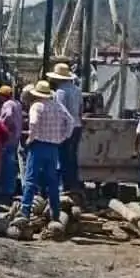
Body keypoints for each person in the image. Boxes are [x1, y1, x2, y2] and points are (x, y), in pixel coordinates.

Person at [20, 80, 73, 221]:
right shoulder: (58, 106)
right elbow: (71, 121)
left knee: (31, 179)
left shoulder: (36, 106)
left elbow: (33, 123)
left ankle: (25, 211)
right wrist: (63, 137)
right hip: (53, 147)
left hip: (38, 145)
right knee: (52, 181)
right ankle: (55, 213)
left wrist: (30, 138)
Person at [47, 63, 83, 192]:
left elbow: (60, 111)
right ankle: (73, 183)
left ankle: (63, 185)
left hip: (66, 127)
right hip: (77, 126)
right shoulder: (77, 90)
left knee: (62, 157)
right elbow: (80, 110)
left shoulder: (60, 91)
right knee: (72, 156)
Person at [0, 85, 23, 203]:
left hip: (8, 138)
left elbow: (8, 116)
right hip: (15, 138)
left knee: (6, 164)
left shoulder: (8, 105)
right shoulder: (17, 103)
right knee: (11, 164)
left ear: (3, 96)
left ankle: (5, 190)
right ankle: (9, 189)